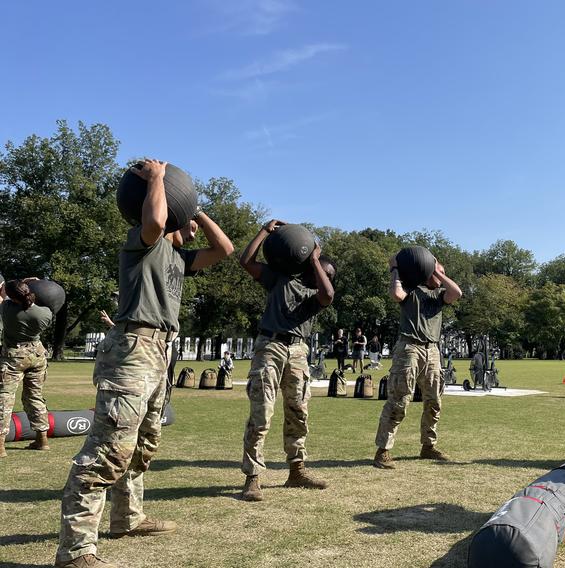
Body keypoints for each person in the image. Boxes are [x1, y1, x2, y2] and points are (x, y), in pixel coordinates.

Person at [56, 159, 234, 568]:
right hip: (133, 349)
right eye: (182, 217)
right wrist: (158, 179)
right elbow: (154, 220)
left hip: (162, 351)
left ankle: (127, 518)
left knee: (142, 444)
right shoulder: (143, 242)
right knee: (107, 450)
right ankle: (76, 552)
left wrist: (195, 209)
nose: (190, 226)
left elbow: (223, 250)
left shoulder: (179, 259)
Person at [237, 219, 336, 502]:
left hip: (297, 352)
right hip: (270, 346)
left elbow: (328, 294)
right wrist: (264, 231)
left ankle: (296, 470)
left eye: (327, 274)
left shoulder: (315, 297)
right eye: (320, 270)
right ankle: (253, 477)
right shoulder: (279, 279)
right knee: (261, 413)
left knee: (298, 412)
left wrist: (316, 261)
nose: (323, 276)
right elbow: (246, 261)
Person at [373, 256, 462, 469]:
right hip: (409, 348)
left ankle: (428, 447)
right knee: (400, 399)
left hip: (432, 349)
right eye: (439, 271)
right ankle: (383, 451)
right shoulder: (411, 291)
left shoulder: (440, 296)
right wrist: (395, 267)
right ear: (426, 273)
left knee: (434, 401)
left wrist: (438, 272)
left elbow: (457, 293)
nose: (442, 276)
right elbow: (395, 293)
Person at [0, 279, 54, 456]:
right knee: (35, 397)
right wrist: (31, 282)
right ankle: (42, 439)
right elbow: (22, 294)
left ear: (12, 297)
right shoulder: (45, 314)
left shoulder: (7, 310)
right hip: (37, 356)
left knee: (5, 398)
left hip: (13, 358)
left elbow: (4, 297)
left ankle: (0, 445)